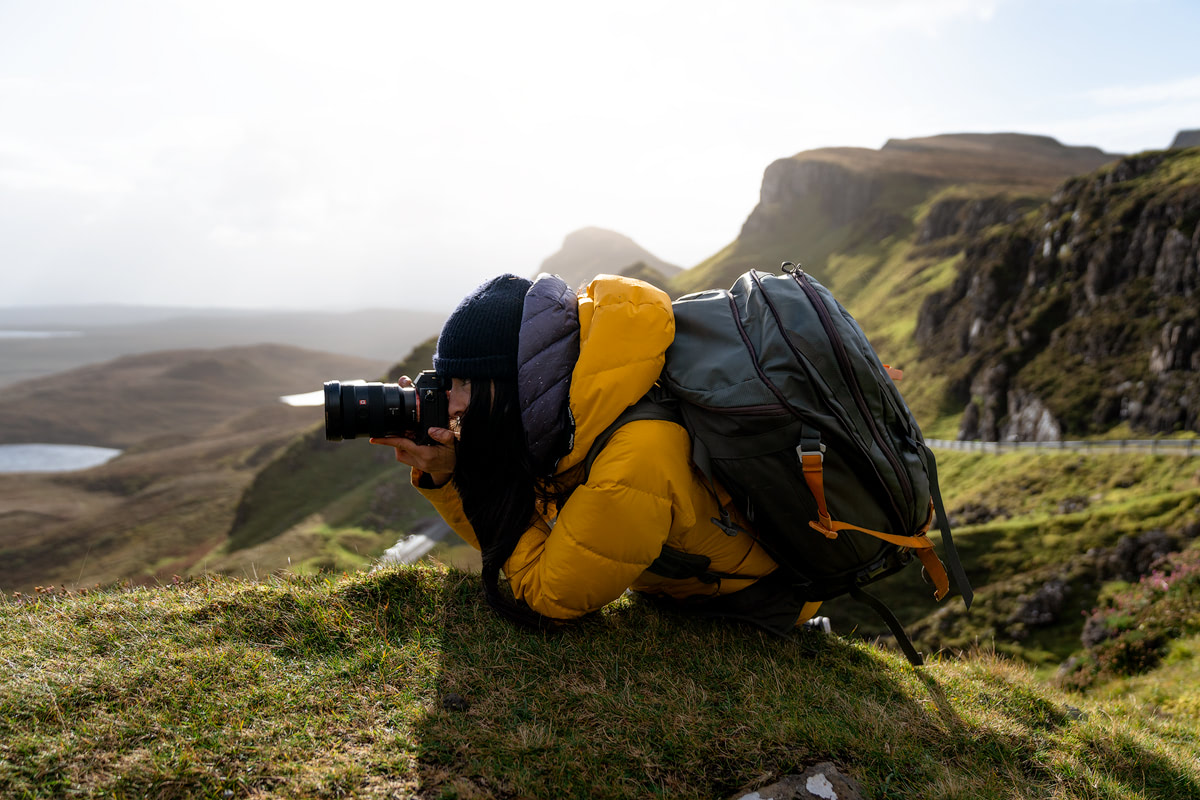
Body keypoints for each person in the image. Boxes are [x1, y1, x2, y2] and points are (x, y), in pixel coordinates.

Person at [371, 272, 825, 631]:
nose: (451, 403)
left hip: (755, 601)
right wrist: (452, 471)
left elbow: (548, 598)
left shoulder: (635, 455)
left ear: (515, 385)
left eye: (465, 384)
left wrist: (462, 483)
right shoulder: (575, 416)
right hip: (683, 584)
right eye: (447, 384)